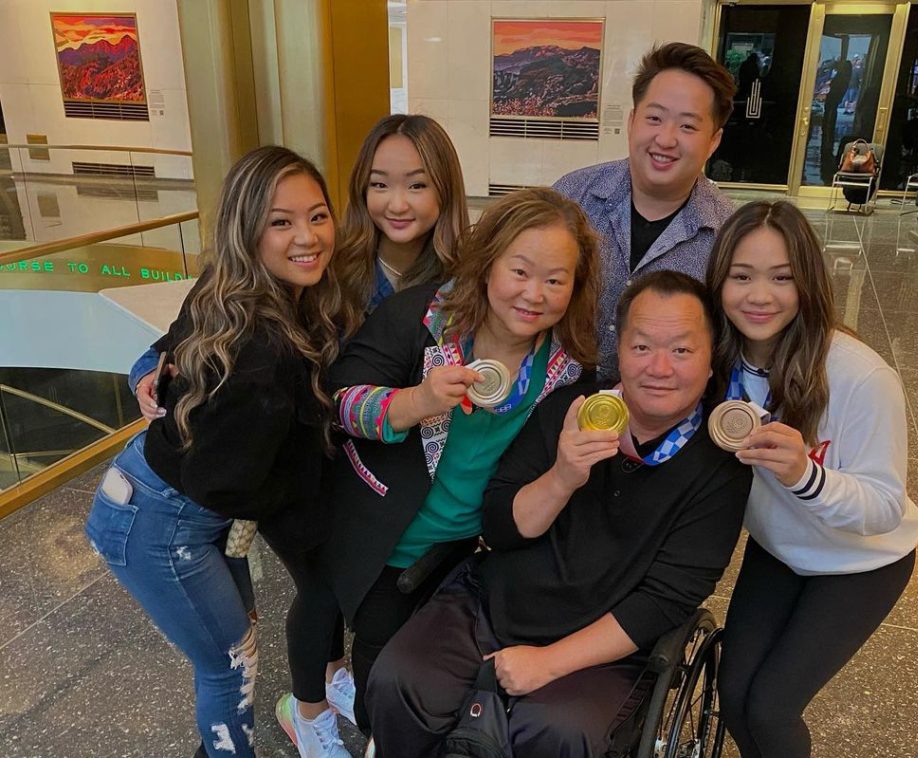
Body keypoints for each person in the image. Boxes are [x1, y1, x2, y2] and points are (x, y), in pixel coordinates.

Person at [126, 115, 470, 757]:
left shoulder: (462, 279)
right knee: (325, 587)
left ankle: (337, 677)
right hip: (301, 463)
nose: (397, 202)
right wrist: (149, 369)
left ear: (446, 191)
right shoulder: (322, 256)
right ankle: (306, 711)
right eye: (379, 183)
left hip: (398, 470)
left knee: (373, 592)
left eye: (418, 184)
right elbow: (203, 316)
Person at [365, 271, 751, 757]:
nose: (659, 367)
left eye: (681, 350)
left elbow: (665, 599)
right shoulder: (572, 406)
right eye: (641, 347)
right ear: (620, 352)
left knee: (557, 730)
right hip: (493, 605)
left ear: (711, 361)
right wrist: (563, 476)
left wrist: (549, 662)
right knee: (400, 680)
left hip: (602, 645)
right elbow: (501, 524)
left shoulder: (719, 467)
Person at [83, 146, 344, 758]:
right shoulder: (262, 348)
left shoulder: (239, 287)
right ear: (246, 230)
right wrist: (300, 479)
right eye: (280, 222)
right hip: (161, 520)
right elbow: (221, 483)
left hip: (163, 498)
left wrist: (148, 368)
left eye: (318, 215)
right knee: (230, 662)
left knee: (235, 641)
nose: (307, 237)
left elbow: (170, 344)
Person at [317, 187, 602, 735]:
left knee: (438, 684)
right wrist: (416, 401)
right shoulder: (424, 318)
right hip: (386, 544)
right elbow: (338, 403)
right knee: (382, 684)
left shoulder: (568, 366)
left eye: (555, 279)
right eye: (520, 271)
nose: (534, 294)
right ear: (488, 262)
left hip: (473, 555)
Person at [708, 201, 918, 758]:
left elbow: (883, 507)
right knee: (733, 697)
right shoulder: (713, 365)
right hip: (778, 549)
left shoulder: (860, 374)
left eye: (783, 277)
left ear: (809, 283)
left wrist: (807, 474)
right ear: (718, 281)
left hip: (860, 562)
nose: (760, 295)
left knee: (772, 709)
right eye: (741, 276)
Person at [554, 42, 736, 378]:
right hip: (551, 403)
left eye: (688, 127)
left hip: (665, 415)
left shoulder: (728, 236)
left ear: (713, 141)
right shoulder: (571, 197)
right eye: (654, 118)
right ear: (633, 120)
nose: (665, 139)